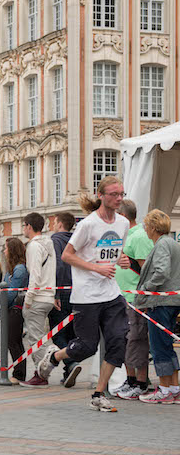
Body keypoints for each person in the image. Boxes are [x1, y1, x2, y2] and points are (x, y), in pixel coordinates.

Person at [38, 176, 131, 412]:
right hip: (87, 295)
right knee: (86, 346)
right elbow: (67, 256)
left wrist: (121, 260)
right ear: (101, 195)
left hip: (111, 294)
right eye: (113, 194)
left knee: (118, 341)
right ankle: (54, 357)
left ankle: (99, 393)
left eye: (121, 194)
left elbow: (111, 252)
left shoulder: (122, 223)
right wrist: (97, 268)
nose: (119, 198)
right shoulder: (88, 224)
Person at [134, 209, 180, 404]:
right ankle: (174, 388)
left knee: (159, 346)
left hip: (160, 302)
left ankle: (165, 389)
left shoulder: (161, 245)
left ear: (153, 227)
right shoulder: (173, 243)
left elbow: (161, 272)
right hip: (171, 302)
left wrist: (145, 288)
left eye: (146, 226)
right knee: (167, 345)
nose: (145, 230)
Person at [112, 200, 154, 399]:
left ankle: (141, 382)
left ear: (122, 215)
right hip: (121, 297)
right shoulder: (123, 236)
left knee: (136, 340)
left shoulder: (139, 236)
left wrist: (144, 298)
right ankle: (130, 380)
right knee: (124, 340)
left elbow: (147, 270)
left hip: (134, 298)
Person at [19, 212, 57, 388]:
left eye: (24, 226)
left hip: (38, 296)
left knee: (36, 339)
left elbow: (35, 274)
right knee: (39, 335)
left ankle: (42, 372)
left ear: (29, 226)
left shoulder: (34, 246)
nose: (23, 229)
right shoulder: (49, 244)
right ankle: (42, 371)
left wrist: (28, 298)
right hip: (48, 296)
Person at [49, 212, 80, 386]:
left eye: (54, 222)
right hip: (77, 291)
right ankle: (69, 370)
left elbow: (58, 266)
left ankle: (70, 362)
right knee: (71, 333)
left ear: (60, 224)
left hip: (62, 292)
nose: (53, 225)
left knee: (57, 332)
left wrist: (55, 293)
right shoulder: (76, 240)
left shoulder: (56, 240)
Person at [2, 238, 29, 384]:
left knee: (13, 341)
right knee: (14, 341)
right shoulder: (12, 268)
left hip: (15, 309)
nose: (4, 251)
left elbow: (11, 292)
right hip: (11, 308)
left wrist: (1, 303)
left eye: (6, 248)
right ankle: (19, 372)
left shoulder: (19, 269)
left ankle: (19, 374)